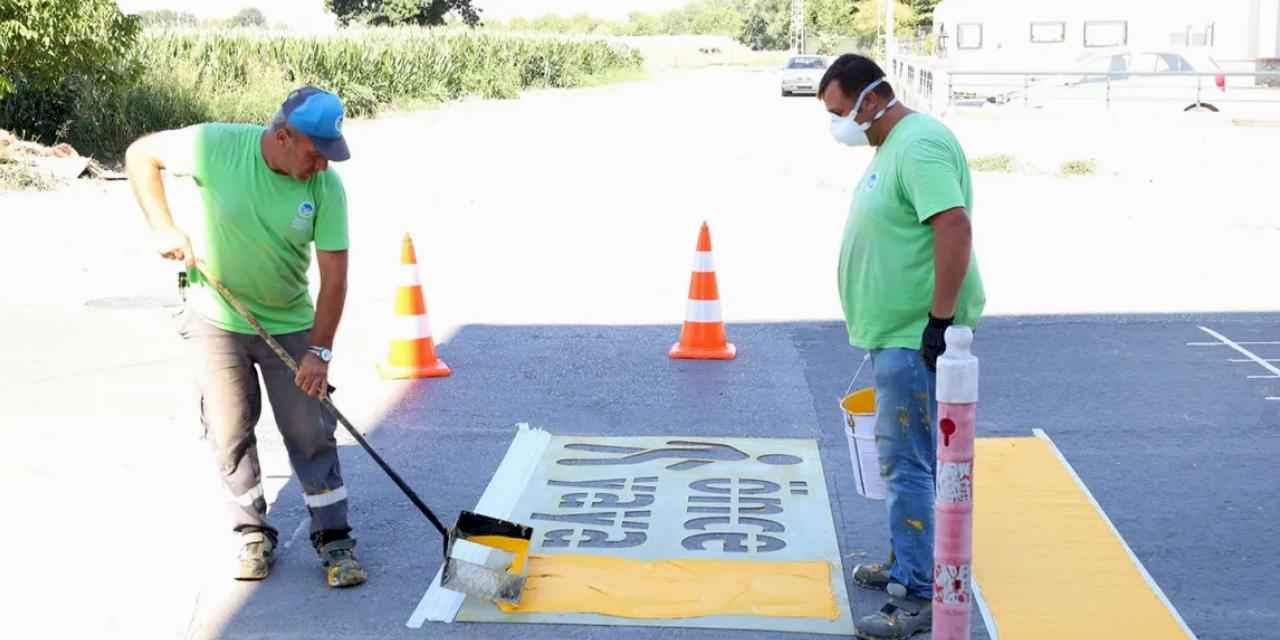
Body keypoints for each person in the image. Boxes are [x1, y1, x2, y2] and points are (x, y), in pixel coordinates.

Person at [125, 86, 367, 588]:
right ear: (283, 136)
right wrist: (163, 226)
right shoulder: (216, 147)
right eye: (315, 153)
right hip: (216, 317)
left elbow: (335, 279)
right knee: (229, 429)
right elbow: (140, 154)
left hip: (290, 321)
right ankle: (253, 535)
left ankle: (334, 539)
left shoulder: (326, 188)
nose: (322, 165)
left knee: (309, 430)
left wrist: (319, 352)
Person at [818, 54, 985, 639]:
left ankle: (917, 595)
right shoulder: (891, 146)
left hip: (915, 339)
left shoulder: (917, 144)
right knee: (898, 460)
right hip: (893, 334)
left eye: (841, 112)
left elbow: (954, 226)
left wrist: (938, 323)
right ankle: (904, 561)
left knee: (909, 464)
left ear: (870, 100)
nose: (837, 125)